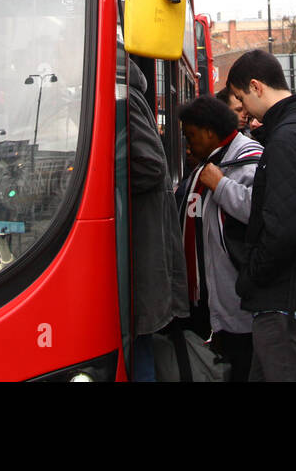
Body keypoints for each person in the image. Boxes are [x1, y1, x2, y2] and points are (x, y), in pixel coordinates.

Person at [226, 49, 296, 381]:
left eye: (241, 98)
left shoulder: (285, 139)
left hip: (285, 297)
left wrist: (250, 274)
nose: (243, 110)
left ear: (256, 86)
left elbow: (284, 227)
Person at [177, 95, 263, 381]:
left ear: (210, 132)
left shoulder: (248, 156)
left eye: (192, 135)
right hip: (206, 297)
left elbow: (261, 209)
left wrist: (221, 185)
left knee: (242, 366)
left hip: (236, 298)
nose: (189, 144)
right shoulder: (206, 162)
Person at [126, 58, 188, 380]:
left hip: (139, 249)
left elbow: (150, 165)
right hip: (139, 249)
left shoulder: (121, 95)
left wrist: (102, 183)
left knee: (137, 350)